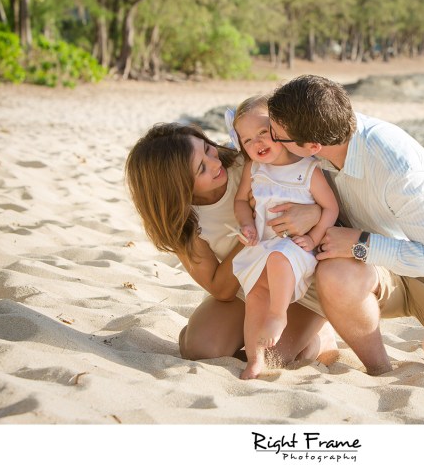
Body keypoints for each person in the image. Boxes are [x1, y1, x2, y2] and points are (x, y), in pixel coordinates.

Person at [267, 74, 424, 393]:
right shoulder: (316, 144)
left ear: (314, 146)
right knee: (328, 286)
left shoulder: (398, 167)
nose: (274, 143)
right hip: (374, 271)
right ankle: (381, 371)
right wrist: (319, 212)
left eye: (280, 138)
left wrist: (362, 245)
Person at [125, 122, 337, 374]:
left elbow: (317, 184)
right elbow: (220, 289)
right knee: (200, 348)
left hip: (300, 280)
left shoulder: (248, 164)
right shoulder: (185, 222)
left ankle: (320, 337)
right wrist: (249, 232)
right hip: (248, 287)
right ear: (177, 187)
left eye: (207, 149)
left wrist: (313, 213)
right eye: (201, 168)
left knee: (270, 357)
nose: (215, 163)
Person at [227, 95, 339, 379]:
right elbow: (241, 201)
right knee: (254, 297)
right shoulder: (254, 169)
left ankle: (278, 315)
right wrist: (246, 224)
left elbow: (330, 208)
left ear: (280, 129)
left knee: (279, 258)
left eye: (263, 133)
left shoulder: (308, 169)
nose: (257, 144)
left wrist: (313, 239)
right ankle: (255, 359)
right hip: (264, 246)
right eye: (247, 140)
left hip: (296, 251)